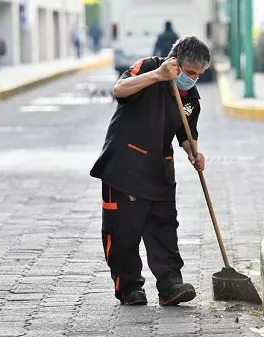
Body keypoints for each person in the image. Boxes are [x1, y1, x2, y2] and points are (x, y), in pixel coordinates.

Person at [89, 36, 210, 306]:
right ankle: (129, 287)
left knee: (164, 229)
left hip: (159, 169)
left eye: (199, 75)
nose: (193, 79)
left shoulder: (190, 98)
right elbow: (120, 90)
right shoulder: (148, 67)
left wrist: (194, 153)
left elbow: (187, 134)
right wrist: (157, 75)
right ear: (176, 62)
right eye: (190, 73)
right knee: (122, 233)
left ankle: (170, 285)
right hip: (125, 167)